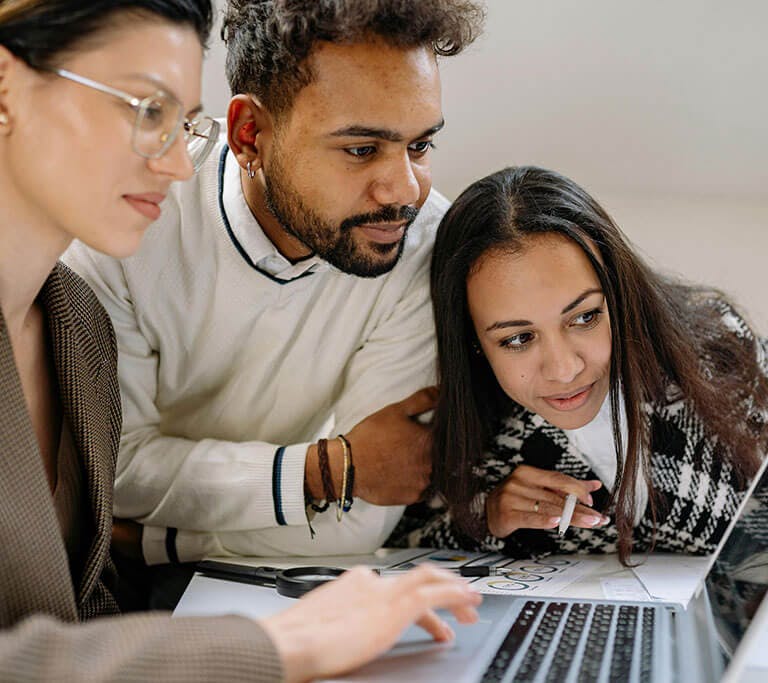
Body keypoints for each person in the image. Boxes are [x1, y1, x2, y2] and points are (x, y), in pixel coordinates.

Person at [0, 1, 482, 679]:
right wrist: (323, 476)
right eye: (144, 109)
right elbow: (117, 486)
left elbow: (367, 512)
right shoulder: (111, 256)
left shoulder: (68, 319)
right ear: (250, 134)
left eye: (421, 144)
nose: (403, 187)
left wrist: (153, 540)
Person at [391, 165, 768, 565]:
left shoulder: (716, 351)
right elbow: (400, 549)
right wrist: (488, 519)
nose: (563, 369)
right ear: (474, 342)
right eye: (517, 339)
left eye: (584, 317)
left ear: (619, 293)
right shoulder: (470, 434)